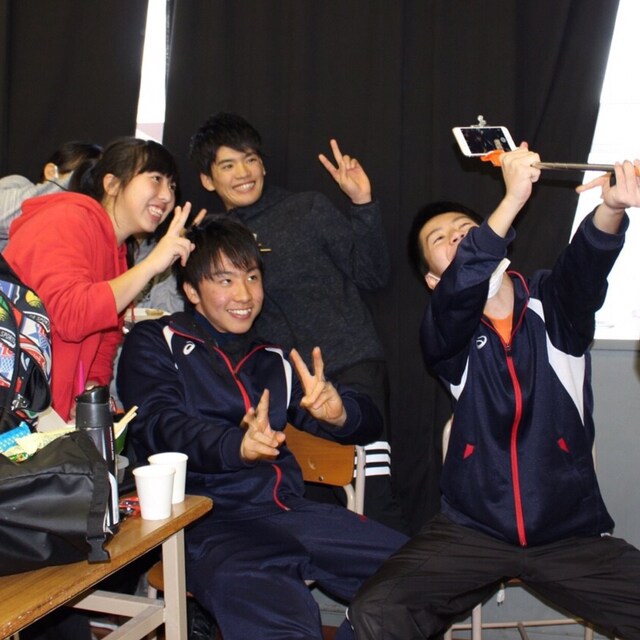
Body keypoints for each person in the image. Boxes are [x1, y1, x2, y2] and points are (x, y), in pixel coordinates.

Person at [348, 144, 640, 639]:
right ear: (433, 279)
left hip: (570, 532)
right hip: (472, 531)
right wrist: (510, 201)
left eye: (466, 228)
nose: (458, 237)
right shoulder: (446, 334)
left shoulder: (552, 306)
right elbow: (462, 287)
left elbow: (586, 268)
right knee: (377, 610)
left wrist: (611, 207)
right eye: (441, 239)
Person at [116, 216, 408, 640]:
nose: (245, 294)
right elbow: (159, 426)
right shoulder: (156, 340)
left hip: (286, 511)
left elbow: (365, 423)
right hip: (204, 524)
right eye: (226, 280)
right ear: (192, 291)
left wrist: (340, 413)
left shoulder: (272, 357)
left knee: (421, 578)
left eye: (252, 277)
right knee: (284, 627)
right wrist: (236, 445)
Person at [188, 112, 408, 534]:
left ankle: (402, 575)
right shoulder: (209, 236)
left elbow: (372, 274)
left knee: (373, 494)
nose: (243, 173)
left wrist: (363, 203)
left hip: (350, 365)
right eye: (228, 165)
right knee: (309, 500)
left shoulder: (307, 208)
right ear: (207, 180)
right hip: (279, 388)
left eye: (250, 160)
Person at [3, 137, 199, 422]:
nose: (167, 196)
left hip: (46, 415)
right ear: (112, 184)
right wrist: (151, 265)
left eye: (172, 185)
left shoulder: (117, 252)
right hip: (14, 409)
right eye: (156, 178)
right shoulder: (66, 219)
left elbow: (106, 337)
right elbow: (71, 315)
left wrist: (93, 386)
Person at [0, 141, 102, 250]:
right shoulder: (17, 183)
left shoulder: (79, 221)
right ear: (51, 172)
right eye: (85, 174)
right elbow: (3, 218)